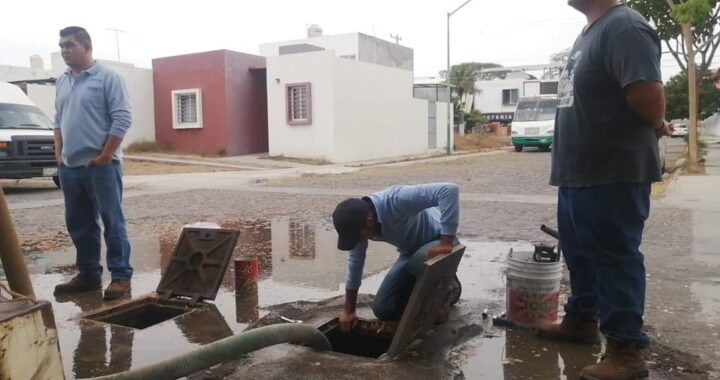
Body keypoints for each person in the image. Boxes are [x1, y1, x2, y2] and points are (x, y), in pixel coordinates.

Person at [539, 1, 673, 380]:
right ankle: (581, 320)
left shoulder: (625, 27)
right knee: (580, 253)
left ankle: (627, 350)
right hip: (578, 172)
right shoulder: (590, 32)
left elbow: (648, 96)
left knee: (615, 257)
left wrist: (659, 122)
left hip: (613, 170)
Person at [52, 26, 133, 301]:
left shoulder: (109, 77)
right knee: (79, 224)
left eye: (70, 45)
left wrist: (106, 155)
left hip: (101, 166)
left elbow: (122, 118)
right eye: (62, 46)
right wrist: (59, 153)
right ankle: (88, 275)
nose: (64, 50)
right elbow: (58, 120)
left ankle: (121, 277)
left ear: (86, 46)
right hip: (70, 168)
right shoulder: (62, 80)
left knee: (113, 222)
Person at [332, 183, 462, 332]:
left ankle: (449, 290)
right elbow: (355, 265)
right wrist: (349, 311)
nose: (358, 241)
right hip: (411, 252)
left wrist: (446, 241)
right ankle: (422, 298)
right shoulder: (357, 226)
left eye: (360, 236)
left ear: (369, 221)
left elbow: (448, 190)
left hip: (439, 241)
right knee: (383, 310)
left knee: (417, 263)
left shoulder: (396, 199)